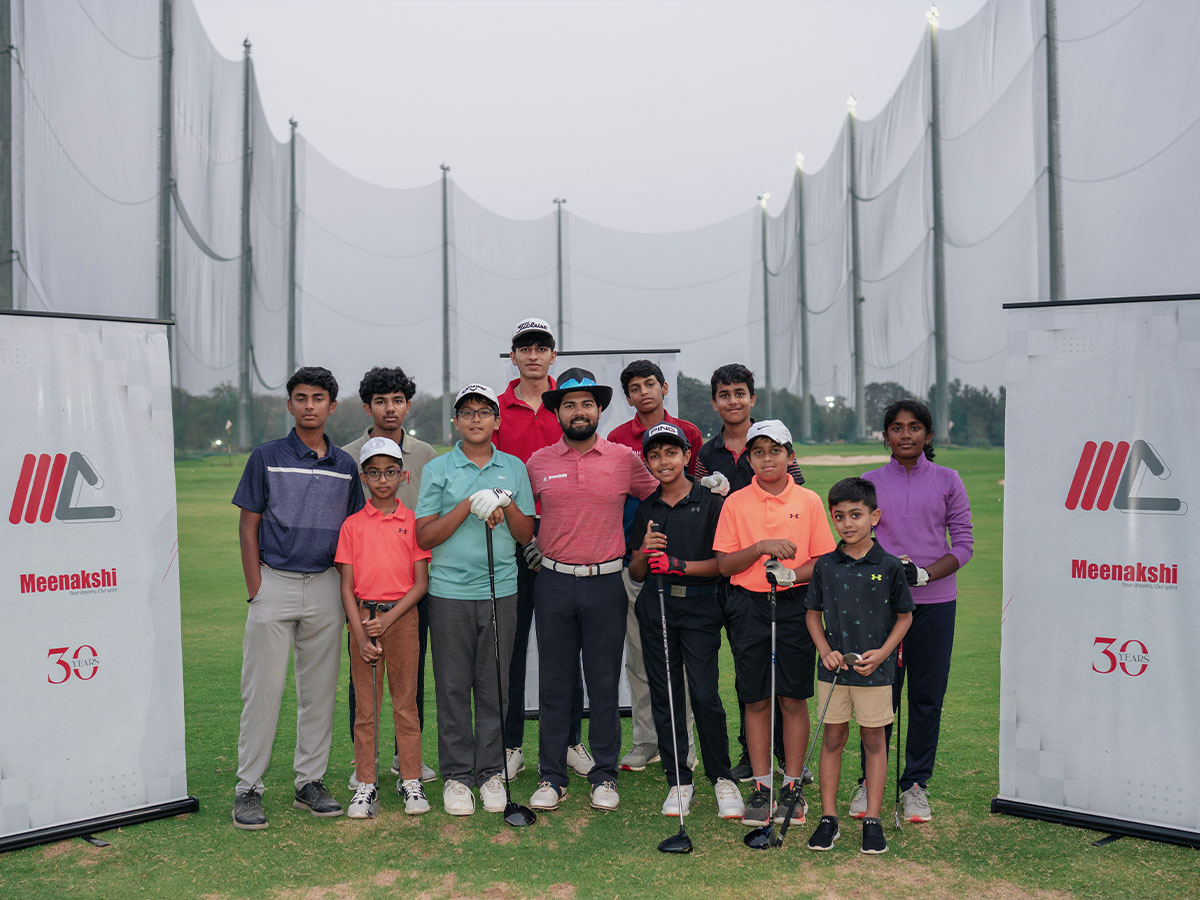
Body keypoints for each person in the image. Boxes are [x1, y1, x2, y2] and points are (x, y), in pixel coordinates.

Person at [231, 366, 364, 830]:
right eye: (301, 397)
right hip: (275, 583)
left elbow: (352, 536)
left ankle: (310, 782)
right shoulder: (266, 456)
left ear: (332, 405)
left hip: (326, 585)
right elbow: (248, 525)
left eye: (319, 398)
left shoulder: (346, 467)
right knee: (263, 692)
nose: (310, 405)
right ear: (290, 405)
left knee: (320, 692)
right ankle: (248, 788)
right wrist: (256, 589)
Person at [524, 367, 658, 812]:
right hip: (554, 582)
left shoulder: (624, 459)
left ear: (599, 409)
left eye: (586, 403)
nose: (578, 412)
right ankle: (552, 776)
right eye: (568, 404)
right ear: (557, 411)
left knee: (603, 684)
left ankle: (604, 774)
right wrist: (528, 543)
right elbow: (522, 517)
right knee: (555, 685)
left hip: (606, 583)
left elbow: (661, 495)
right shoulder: (538, 462)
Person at [848, 398, 974, 824]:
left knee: (925, 697)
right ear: (885, 435)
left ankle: (915, 784)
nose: (906, 434)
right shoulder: (868, 480)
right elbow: (857, 538)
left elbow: (964, 544)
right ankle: (870, 780)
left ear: (928, 434)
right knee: (878, 697)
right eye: (897, 428)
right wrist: (891, 571)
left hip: (935, 603)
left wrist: (923, 574)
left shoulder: (948, 479)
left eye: (915, 427)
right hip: (881, 607)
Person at [415, 384, 534, 816]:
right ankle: (458, 777)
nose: (476, 419)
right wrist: (469, 504)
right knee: (451, 686)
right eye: (467, 412)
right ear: (456, 422)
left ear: (497, 421)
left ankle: (489, 771)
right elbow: (425, 534)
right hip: (448, 592)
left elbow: (526, 535)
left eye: (485, 412)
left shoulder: (514, 467)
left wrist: (505, 502)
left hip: (501, 589)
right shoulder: (439, 468)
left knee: (494, 686)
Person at [713, 419, 835, 829]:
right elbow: (725, 564)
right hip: (748, 604)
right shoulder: (735, 503)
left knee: (792, 697)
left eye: (776, 451)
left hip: (795, 604)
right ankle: (762, 787)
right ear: (748, 459)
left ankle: (793, 786)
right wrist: (761, 548)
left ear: (791, 456)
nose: (767, 460)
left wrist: (791, 575)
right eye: (759, 452)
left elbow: (821, 560)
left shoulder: (811, 501)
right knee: (756, 698)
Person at [626, 422, 743, 820]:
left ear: (687, 457)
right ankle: (680, 781)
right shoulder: (647, 509)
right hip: (657, 609)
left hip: (701, 608)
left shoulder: (710, 503)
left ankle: (721, 777)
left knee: (705, 694)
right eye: (655, 455)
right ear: (647, 462)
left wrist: (679, 565)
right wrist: (644, 550)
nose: (664, 461)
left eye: (671, 453)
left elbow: (722, 565)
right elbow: (637, 572)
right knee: (667, 695)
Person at [693, 363, 804, 782]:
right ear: (715, 401)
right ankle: (751, 753)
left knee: (785, 681)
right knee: (748, 673)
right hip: (729, 570)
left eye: (740, 393)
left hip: (778, 579)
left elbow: (797, 496)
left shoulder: (773, 439)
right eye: (724, 394)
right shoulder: (707, 453)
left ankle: (785, 755)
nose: (733, 401)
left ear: (752, 398)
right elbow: (700, 506)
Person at [492, 318, 591, 782]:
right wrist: (522, 536)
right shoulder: (495, 408)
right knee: (510, 649)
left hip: (563, 547)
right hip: (512, 547)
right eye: (524, 347)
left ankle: (570, 739)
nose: (533, 354)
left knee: (563, 650)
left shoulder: (566, 406)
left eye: (542, 347)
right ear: (512, 356)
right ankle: (511, 744)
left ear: (554, 355)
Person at [805, 477, 914, 854]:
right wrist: (824, 650)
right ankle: (829, 818)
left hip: (876, 672)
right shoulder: (825, 566)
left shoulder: (889, 566)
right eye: (839, 517)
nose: (848, 523)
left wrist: (883, 653)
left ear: (874, 516)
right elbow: (812, 615)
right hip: (834, 672)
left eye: (856, 515)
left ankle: (873, 819)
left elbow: (905, 617)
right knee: (833, 739)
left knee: (874, 740)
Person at [342, 366, 438, 786]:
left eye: (397, 400)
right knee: (361, 676)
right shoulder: (347, 455)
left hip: (413, 582)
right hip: (363, 581)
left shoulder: (425, 454)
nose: (389, 408)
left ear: (408, 405)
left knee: (409, 673)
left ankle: (406, 760)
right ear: (368, 407)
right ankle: (363, 765)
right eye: (381, 401)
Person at [606, 360, 701, 773]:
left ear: (664, 388)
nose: (643, 392)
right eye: (634, 387)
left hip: (683, 563)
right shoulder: (615, 438)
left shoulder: (690, 432)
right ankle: (647, 740)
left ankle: (683, 744)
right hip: (634, 562)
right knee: (640, 660)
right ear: (627, 397)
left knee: (681, 662)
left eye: (650, 384)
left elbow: (696, 489)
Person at [336, 437, 432, 818]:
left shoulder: (413, 521)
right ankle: (366, 784)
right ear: (363, 477)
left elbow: (420, 583)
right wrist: (361, 634)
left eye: (390, 472)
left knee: (405, 705)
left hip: (402, 618)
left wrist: (387, 620)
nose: (382, 480)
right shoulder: (352, 525)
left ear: (403, 474)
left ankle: (410, 779)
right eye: (374, 473)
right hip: (363, 619)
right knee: (366, 709)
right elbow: (346, 585)